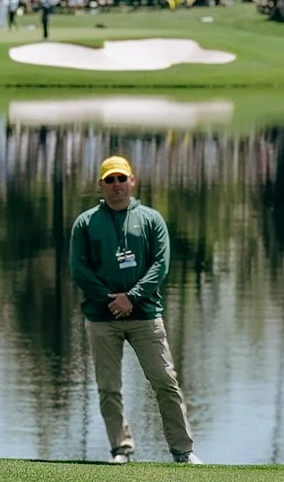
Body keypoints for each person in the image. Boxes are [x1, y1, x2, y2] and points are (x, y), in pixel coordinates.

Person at [71, 155, 199, 464]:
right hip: (102, 318)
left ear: (133, 180)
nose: (117, 185)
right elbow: (80, 269)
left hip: (146, 315)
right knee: (109, 388)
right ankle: (122, 449)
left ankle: (183, 451)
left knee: (165, 382)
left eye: (122, 178)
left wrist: (132, 297)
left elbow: (160, 265)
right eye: (110, 180)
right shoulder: (86, 222)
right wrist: (109, 299)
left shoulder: (151, 219)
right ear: (100, 185)